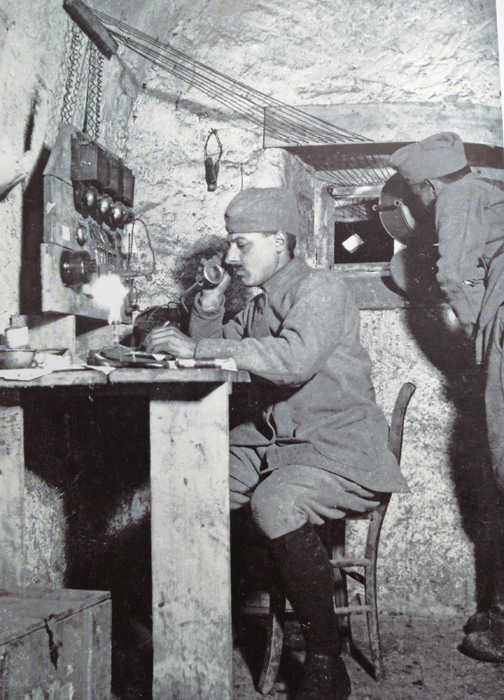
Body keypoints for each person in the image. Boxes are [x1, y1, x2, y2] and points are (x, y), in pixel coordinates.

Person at [146, 187, 409, 700]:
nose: (229, 256)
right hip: (280, 447)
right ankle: (193, 639)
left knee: (274, 502)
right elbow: (224, 341)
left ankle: (327, 663)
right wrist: (211, 301)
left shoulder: (322, 291)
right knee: (193, 487)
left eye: (241, 245)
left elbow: (290, 361)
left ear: (280, 243)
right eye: (229, 244)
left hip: (339, 449)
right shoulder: (263, 304)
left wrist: (200, 344)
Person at [389, 132, 504, 662]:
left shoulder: (456, 199)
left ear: (429, 187)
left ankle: (502, 626)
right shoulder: (488, 189)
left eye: (419, 198)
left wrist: (484, 344)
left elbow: (455, 276)